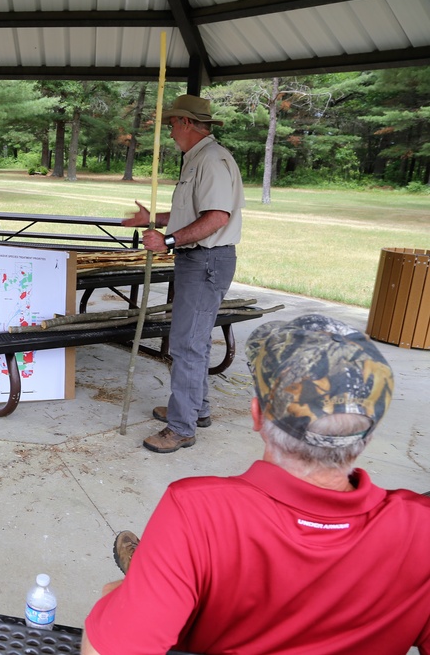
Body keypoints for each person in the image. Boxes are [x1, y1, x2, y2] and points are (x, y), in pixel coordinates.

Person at [81, 314, 430, 655]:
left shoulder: (198, 513)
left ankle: (161, 575)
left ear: (257, 415)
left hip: (197, 559)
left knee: (111, 596)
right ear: (368, 435)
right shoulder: (421, 529)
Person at [122, 94, 244, 454]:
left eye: (173, 123)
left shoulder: (212, 160)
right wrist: (154, 221)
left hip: (206, 260)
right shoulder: (197, 158)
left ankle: (181, 428)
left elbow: (217, 217)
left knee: (187, 344)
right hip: (200, 260)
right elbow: (195, 212)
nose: (170, 130)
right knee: (196, 340)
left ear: (187, 124)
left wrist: (168, 240)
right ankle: (196, 409)